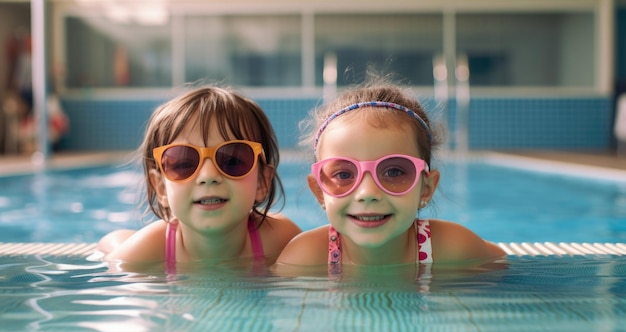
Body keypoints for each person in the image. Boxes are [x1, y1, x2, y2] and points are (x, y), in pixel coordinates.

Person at [275, 81, 505, 275]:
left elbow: (506, 268)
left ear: (426, 187)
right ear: (319, 190)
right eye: (344, 174)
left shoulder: (454, 248)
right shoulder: (305, 258)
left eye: (394, 172)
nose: (367, 194)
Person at [98, 86, 301, 272]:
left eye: (232, 160)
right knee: (115, 241)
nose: (208, 176)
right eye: (184, 162)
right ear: (160, 187)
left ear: (262, 182)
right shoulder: (144, 252)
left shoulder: (281, 238)